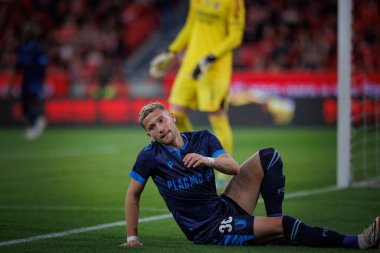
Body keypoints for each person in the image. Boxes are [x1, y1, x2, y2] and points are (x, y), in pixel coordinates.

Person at [120, 102, 379, 249]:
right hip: (208, 229)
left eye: (161, 120)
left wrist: (208, 160)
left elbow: (233, 167)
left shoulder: (203, 138)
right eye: (152, 127)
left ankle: (274, 226)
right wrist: (132, 238)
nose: (159, 128)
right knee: (285, 226)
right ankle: (358, 242)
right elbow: (133, 195)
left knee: (269, 156)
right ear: (149, 135)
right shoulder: (149, 156)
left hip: (224, 207)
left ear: (172, 118)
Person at [149, 0, 246, 186]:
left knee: (216, 115)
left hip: (215, 68)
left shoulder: (234, 2)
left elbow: (235, 36)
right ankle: (191, 156)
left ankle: (224, 173)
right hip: (190, 64)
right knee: (175, 113)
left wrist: (211, 57)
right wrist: (172, 51)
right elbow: (191, 25)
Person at [10, 21, 47, 140]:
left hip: (33, 80)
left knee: (31, 101)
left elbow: (40, 64)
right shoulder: (25, 47)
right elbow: (19, 65)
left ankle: (35, 122)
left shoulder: (35, 48)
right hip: (29, 79)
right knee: (27, 102)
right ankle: (35, 121)